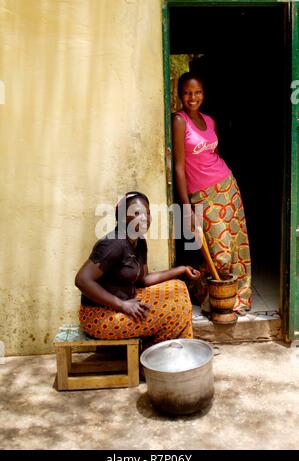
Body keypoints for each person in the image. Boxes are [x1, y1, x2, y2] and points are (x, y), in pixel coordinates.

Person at [75, 191, 201, 345]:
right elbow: (82, 280)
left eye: (147, 213)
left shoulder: (139, 241)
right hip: (100, 316)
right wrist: (122, 305)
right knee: (176, 310)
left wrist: (181, 270)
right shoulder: (114, 244)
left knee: (178, 289)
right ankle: (155, 355)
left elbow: (143, 279)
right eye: (137, 213)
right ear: (122, 217)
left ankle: (174, 351)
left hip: (125, 303)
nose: (144, 218)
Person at [172, 72, 251, 314]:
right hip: (203, 196)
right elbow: (179, 167)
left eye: (197, 92)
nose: (192, 97)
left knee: (238, 248)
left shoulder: (210, 121)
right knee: (220, 254)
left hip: (227, 186)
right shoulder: (179, 121)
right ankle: (202, 291)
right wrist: (187, 208)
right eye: (187, 92)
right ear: (179, 95)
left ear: (203, 94)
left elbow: (213, 155)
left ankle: (237, 299)